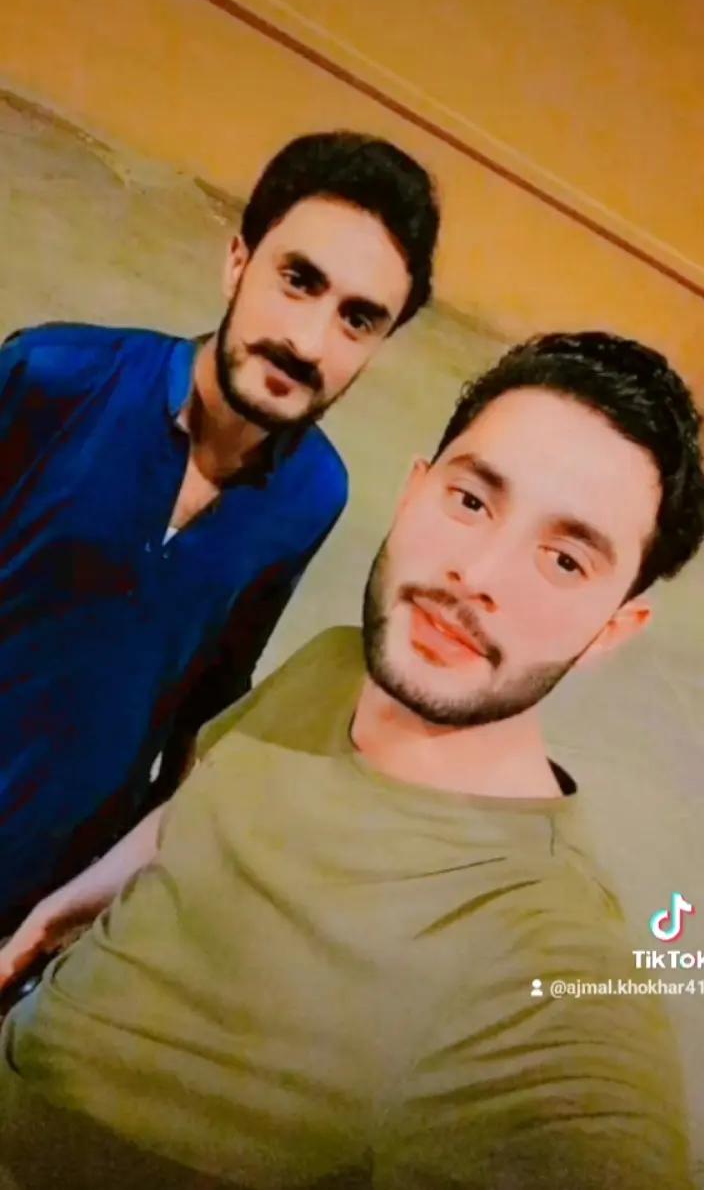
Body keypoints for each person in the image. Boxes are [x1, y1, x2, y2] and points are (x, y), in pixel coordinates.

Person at [1, 331, 703, 1190]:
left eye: (564, 559)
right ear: (413, 490)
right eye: (471, 499)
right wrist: (65, 909)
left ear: (613, 631)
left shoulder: (542, 962)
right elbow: (212, 796)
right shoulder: (339, 661)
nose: (475, 572)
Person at [0, 130, 439, 936]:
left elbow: (209, 693)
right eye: (298, 280)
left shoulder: (314, 493)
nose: (307, 341)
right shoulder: (52, 376)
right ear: (238, 261)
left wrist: (130, 894)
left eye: (357, 319)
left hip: (48, 897)